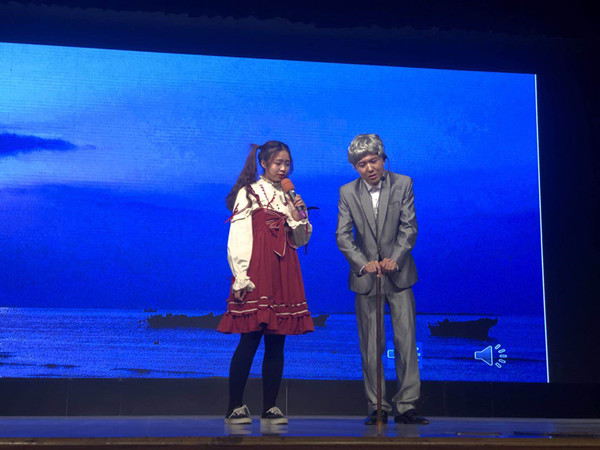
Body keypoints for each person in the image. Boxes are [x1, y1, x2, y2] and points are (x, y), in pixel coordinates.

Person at [218, 140, 314, 426]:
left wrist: (297, 215)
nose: (283, 169)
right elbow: (238, 236)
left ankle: (270, 406)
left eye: (287, 164)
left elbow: (299, 240)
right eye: (278, 163)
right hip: (258, 272)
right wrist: (241, 276)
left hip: (283, 271)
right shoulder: (249, 192)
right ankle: (234, 406)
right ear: (264, 163)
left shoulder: (288, 197)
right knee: (249, 338)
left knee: (277, 341)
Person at [336, 134, 429, 425]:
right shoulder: (347, 192)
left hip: (399, 275)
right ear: (355, 167)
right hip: (366, 279)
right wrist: (363, 264)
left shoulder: (403, 183)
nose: (369, 168)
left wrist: (395, 258)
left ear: (383, 159)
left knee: (406, 341)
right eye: (362, 164)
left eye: (373, 161)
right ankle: (377, 406)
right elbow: (343, 235)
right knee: (370, 346)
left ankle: (406, 406)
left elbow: (409, 228)